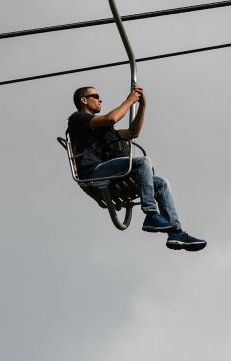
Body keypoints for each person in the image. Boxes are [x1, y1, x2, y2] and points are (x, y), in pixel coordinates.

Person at [68, 83, 207, 252]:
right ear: (84, 100)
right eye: (96, 97)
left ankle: (176, 233)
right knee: (142, 162)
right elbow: (110, 118)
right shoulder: (78, 119)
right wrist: (129, 100)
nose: (100, 100)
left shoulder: (103, 131)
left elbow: (133, 132)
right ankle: (150, 213)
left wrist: (142, 105)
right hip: (94, 172)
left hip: (111, 173)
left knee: (161, 183)